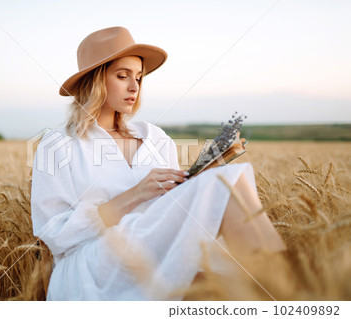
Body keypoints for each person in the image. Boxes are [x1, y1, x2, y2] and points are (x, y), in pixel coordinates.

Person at [31, 26, 287, 301]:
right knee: (223, 191)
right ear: (95, 81)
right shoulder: (58, 143)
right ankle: (292, 291)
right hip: (95, 264)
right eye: (122, 76)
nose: (134, 86)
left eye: (138, 77)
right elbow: (54, 232)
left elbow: (170, 209)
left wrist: (192, 182)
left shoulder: (153, 136)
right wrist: (134, 195)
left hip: (158, 245)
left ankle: (287, 290)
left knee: (227, 180)